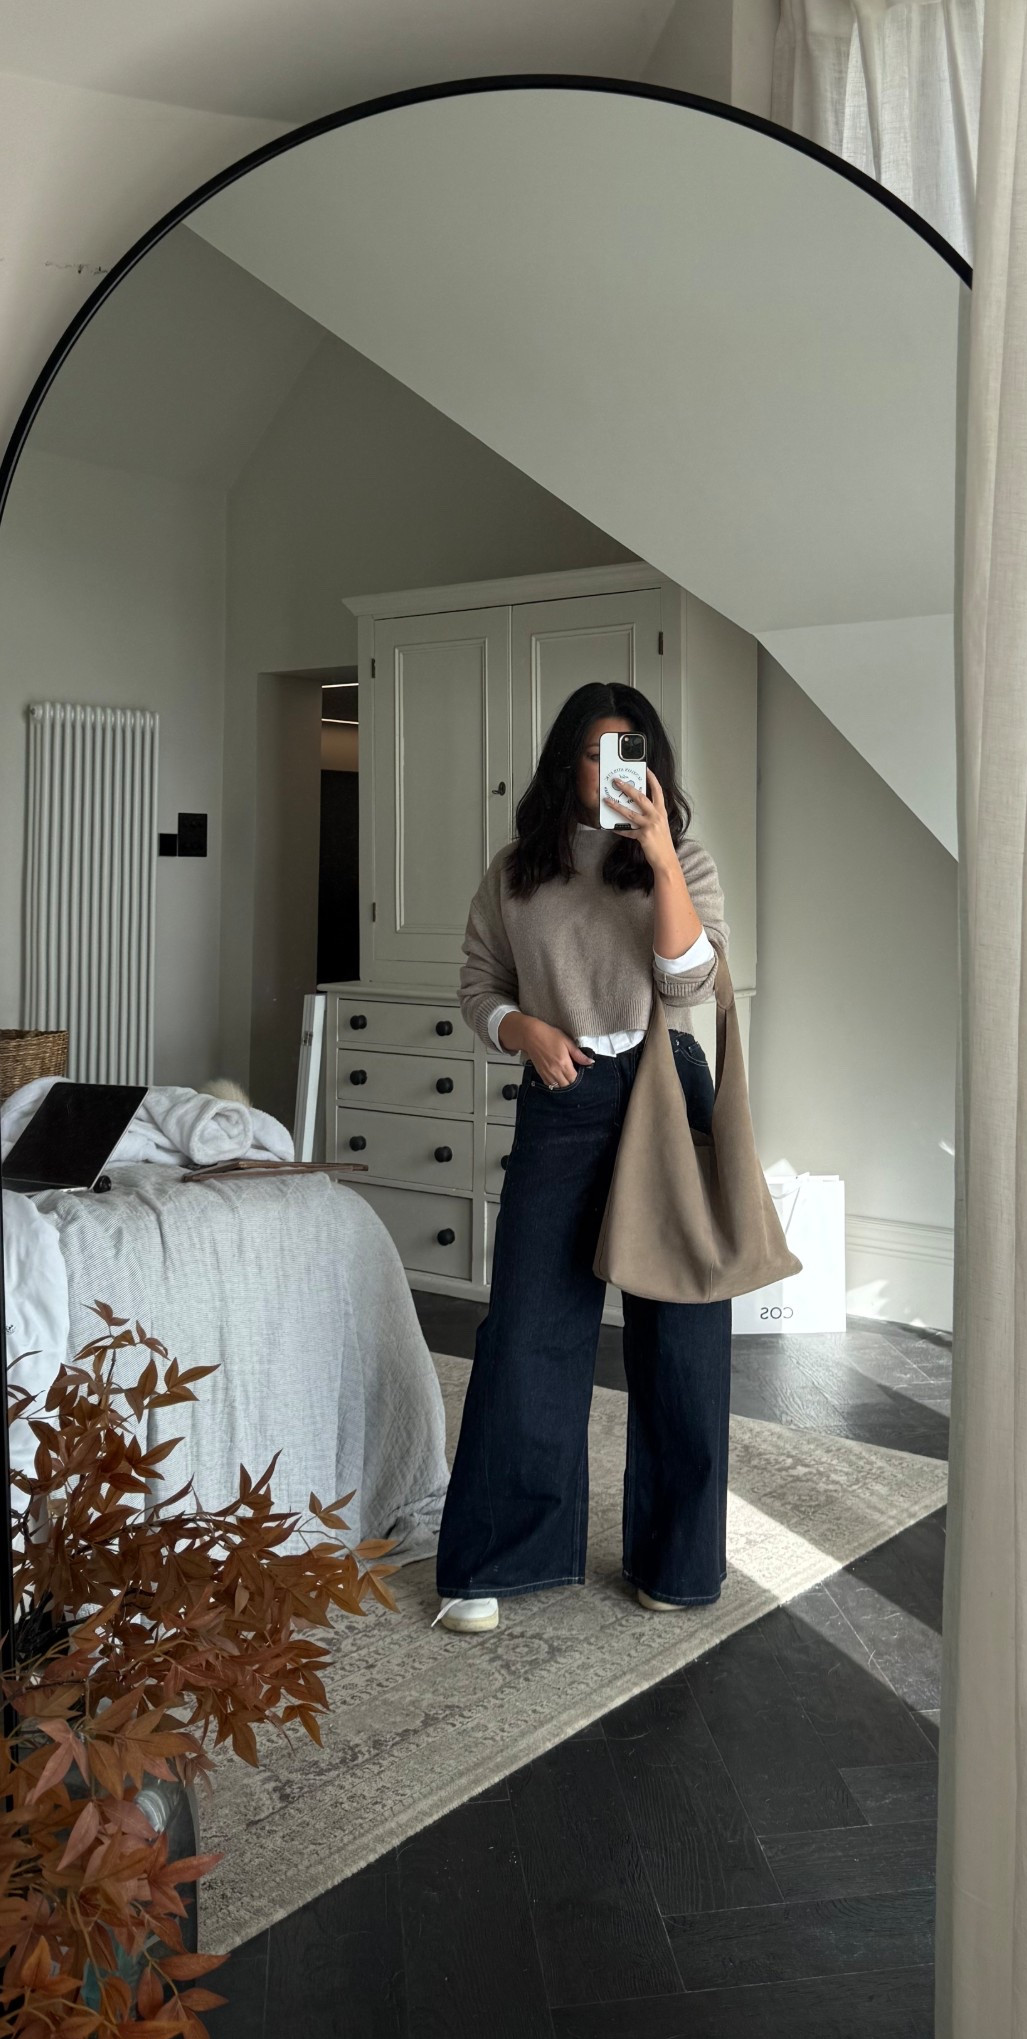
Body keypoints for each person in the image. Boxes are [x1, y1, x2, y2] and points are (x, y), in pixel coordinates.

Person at [433, 681, 732, 1634]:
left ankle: (676, 1561)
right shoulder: (517, 870)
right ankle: (499, 1556)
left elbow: (690, 981)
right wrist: (522, 1028)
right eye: (594, 753)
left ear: (653, 765)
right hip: (562, 1097)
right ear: (567, 762)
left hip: (665, 1093)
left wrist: (659, 856)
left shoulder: (681, 858)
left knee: (681, 1332)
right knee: (528, 1327)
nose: (609, 771)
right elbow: (478, 983)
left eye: (626, 752)